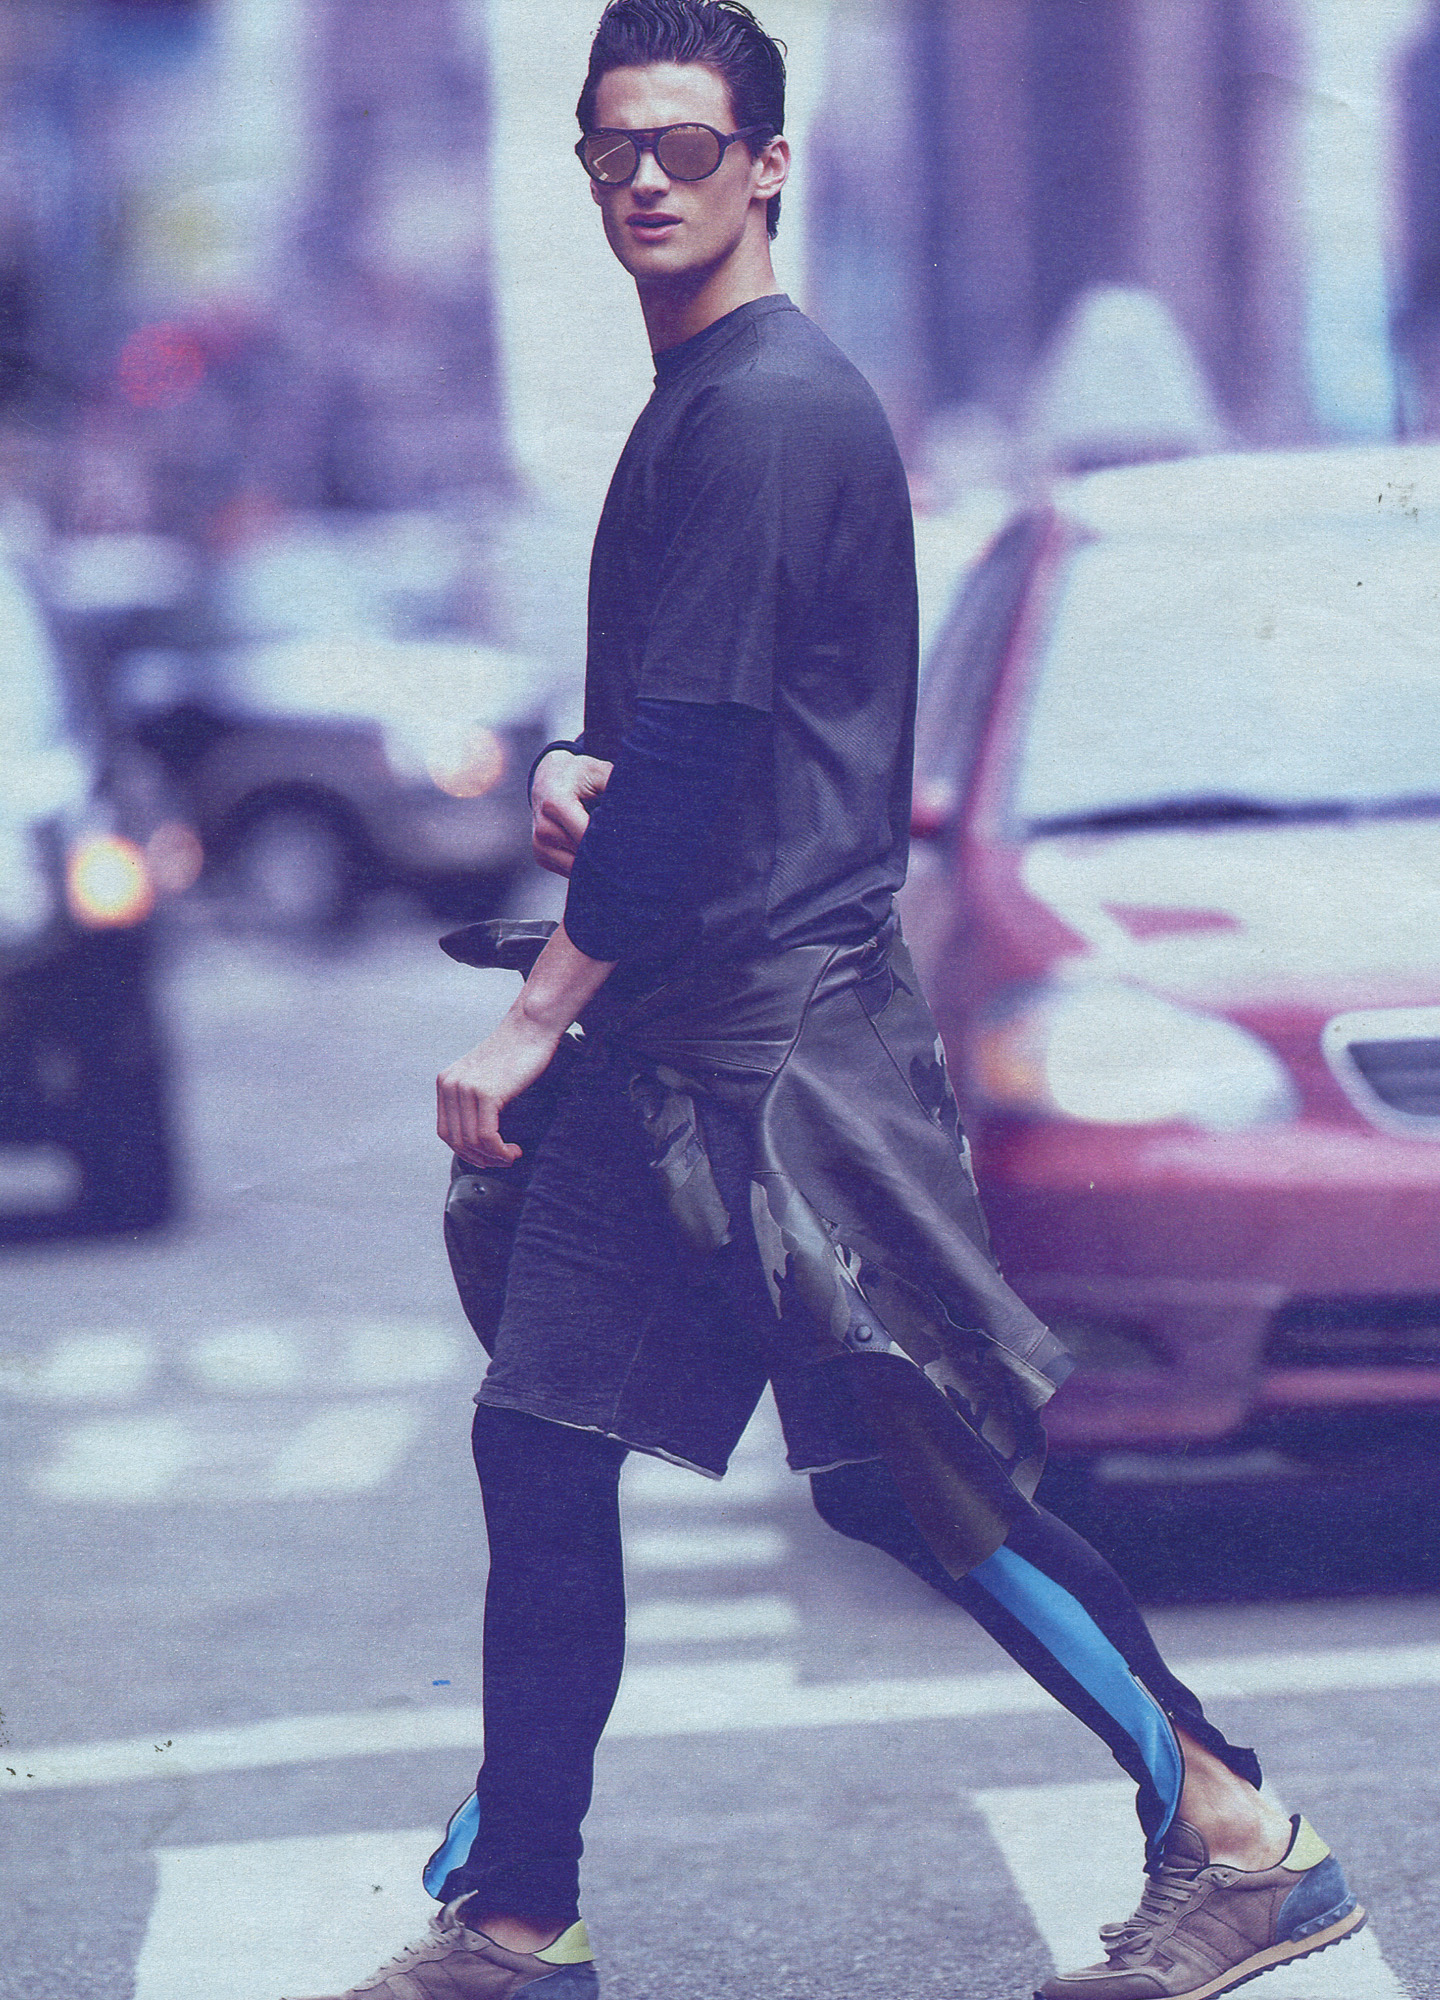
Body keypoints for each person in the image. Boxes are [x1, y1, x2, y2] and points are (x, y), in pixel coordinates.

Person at [299, 6, 1367, 1997]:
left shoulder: (773, 411)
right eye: (614, 147)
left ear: (768, 165)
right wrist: (580, 769)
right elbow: (688, 735)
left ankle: (1239, 1835)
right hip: (679, 1044)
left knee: (912, 1470)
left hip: (782, 1057)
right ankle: (519, 1918)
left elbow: (707, 755)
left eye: (688, 146)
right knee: (543, 1441)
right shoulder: (700, 405)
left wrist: (535, 1011)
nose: (645, 179)